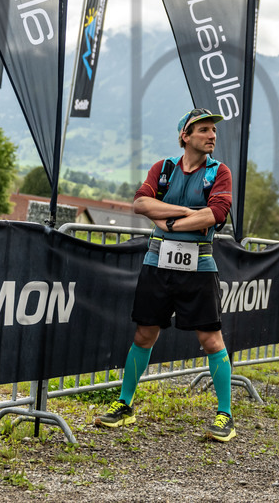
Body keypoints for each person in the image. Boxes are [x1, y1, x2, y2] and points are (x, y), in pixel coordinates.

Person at [94, 107, 236, 442]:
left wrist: (169, 222)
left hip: (199, 268)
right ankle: (124, 405)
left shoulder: (220, 172)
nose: (212, 135)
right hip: (157, 265)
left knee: (210, 339)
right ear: (185, 136)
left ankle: (225, 414)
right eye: (203, 130)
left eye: (213, 131)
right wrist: (188, 212)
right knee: (144, 335)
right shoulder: (164, 169)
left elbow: (215, 215)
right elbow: (141, 205)